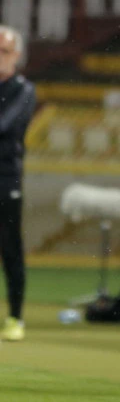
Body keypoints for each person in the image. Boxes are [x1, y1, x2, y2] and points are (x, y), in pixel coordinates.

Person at [0, 26, 36, 342]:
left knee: (10, 247)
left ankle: (15, 316)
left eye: (4, 51)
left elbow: (5, 125)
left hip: (5, 177)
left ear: (17, 55)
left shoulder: (23, 91)